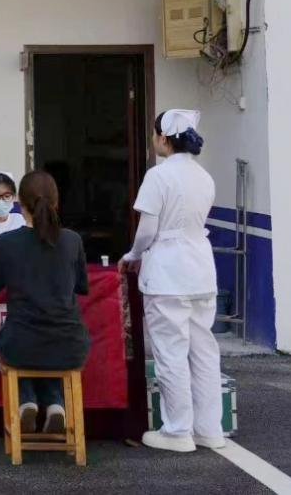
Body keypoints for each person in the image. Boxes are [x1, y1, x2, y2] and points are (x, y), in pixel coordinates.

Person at [120, 110, 224, 453]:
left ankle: (178, 431)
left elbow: (147, 230)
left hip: (168, 273)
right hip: (201, 269)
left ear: (163, 138)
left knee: (171, 353)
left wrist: (133, 254)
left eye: (154, 135)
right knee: (204, 351)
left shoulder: (158, 176)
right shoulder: (204, 177)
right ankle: (209, 430)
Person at [0, 170, 90, 435]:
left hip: (22, 344)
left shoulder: (5, 243)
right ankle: (56, 405)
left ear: (19, 202)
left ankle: (27, 402)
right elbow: (82, 286)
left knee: (23, 345)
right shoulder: (72, 240)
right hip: (70, 345)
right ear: (56, 202)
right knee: (49, 348)